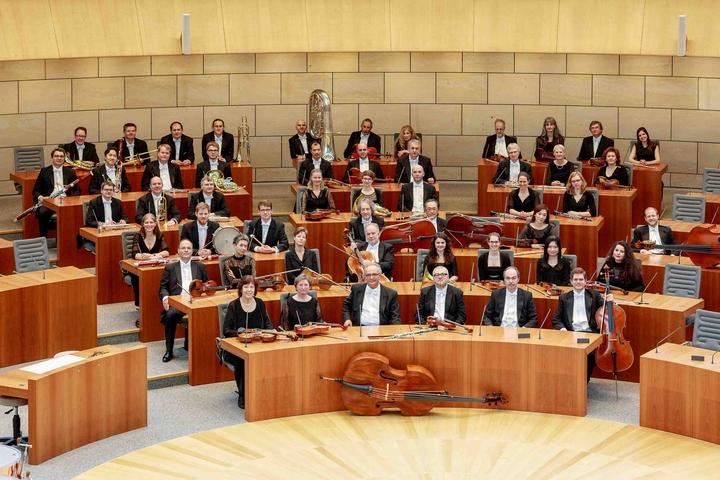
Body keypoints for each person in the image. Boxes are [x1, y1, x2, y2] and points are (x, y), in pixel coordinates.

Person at [222, 275, 274, 408]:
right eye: (246, 287)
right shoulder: (233, 305)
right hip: (237, 347)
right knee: (243, 361)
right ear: (241, 289)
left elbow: (268, 324)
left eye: (251, 287)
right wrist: (243, 333)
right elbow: (226, 330)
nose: (249, 290)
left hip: (258, 344)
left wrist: (269, 332)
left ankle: (264, 392)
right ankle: (243, 395)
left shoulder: (260, 303)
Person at [552, 267, 609, 381]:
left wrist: (610, 300)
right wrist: (563, 330)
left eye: (581, 279)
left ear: (586, 281)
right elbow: (556, 319)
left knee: (590, 355)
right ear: (571, 281)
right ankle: (572, 380)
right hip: (571, 334)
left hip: (590, 334)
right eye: (575, 279)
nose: (578, 282)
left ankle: (583, 381)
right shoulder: (564, 297)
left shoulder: (594, 295)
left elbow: (606, 307)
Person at [159, 239, 208, 362]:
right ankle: (169, 350)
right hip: (179, 304)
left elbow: (206, 286)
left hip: (196, 302)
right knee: (170, 315)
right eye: (183, 248)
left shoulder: (200, 266)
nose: (186, 250)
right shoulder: (170, 267)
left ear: (192, 251)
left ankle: (200, 350)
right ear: (178, 251)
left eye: (189, 248)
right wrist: (165, 298)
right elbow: (163, 287)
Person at [32, 148, 81, 237]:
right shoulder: (44, 171)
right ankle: (43, 238)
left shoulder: (70, 172)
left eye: (61, 156)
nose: (59, 158)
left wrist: (71, 199)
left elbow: (77, 190)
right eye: (56, 156)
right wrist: (41, 197)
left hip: (66, 202)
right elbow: (36, 190)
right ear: (52, 158)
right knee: (42, 212)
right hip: (50, 202)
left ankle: (69, 239)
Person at [129, 213, 170, 307]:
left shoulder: (159, 235)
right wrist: (146, 257)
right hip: (141, 267)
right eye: (146, 222)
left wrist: (156, 255)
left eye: (151, 222)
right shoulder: (138, 236)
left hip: (154, 265)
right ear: (143, 224)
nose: (149, 225)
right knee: (137, 277)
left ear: (155, 224)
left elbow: (166, 251)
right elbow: (135, 254)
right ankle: (140, 304)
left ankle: (157, 303)